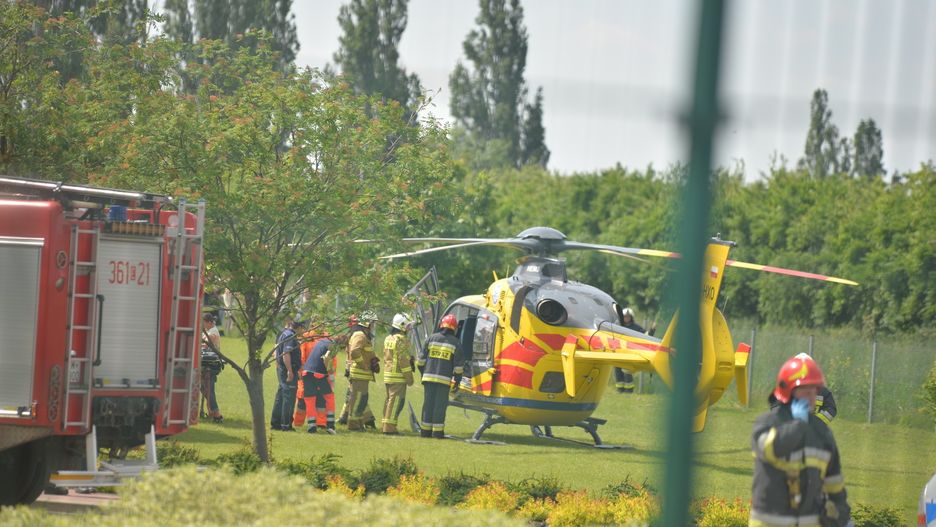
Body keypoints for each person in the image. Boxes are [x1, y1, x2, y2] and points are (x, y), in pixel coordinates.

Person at [750, 353, 850, 527]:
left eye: (814, 391)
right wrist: (798, 425)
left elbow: (834, 483)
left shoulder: (823, 433)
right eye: (805, 390)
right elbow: (770, 450)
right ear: (788, 391)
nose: (811, 397)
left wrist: (842, 516)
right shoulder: (767, 423)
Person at [417, 314, 465, 439]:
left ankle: (425, 432)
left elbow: (420, 361)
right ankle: (437, 433)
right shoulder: (455, 343)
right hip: (443, 381)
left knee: (428, 404)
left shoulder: (431, 339)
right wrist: (457, 382)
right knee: (439, 406)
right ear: (454, 328)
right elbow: (458, 367)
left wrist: (424, 373)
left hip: (428, 378)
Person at [301, 333, 345, 434]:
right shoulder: (334, 346)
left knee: (310, 399)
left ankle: (311, 425)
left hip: (306, 373)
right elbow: (326, 358)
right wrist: (330, 374)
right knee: (329, 397)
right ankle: (330, 425)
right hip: (319, 374)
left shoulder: (322, 341)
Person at [345, 312, 380, 431]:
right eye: (372, 323)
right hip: (359, 374)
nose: (373, 325)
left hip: (363, 376)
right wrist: (364, 365)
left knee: (362, 399)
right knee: (358, 399)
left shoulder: (364, 335)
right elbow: (355, 351)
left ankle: (359, 423)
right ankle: (353, 425)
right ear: (367, 323)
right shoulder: (360, 335)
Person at [381, 313, 415, 435]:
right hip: (398, 377)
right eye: (408, 325)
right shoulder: (401, 340)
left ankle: (385, 425)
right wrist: (410, 378)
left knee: (389, 401)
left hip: (388, 375)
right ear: (402, 325)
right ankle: (389, 429)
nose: (409, 328)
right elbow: (403, 361)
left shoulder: (388, 338)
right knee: (395, 403)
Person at [271, 318, 304, 431]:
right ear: (298, 327)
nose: (304, 331)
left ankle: (276, 423)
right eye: (303, 328)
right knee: (288, 397)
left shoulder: (283, 333)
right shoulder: (290, 336)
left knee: (280, 395)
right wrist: (290, 371)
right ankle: (286, 425)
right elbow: (286, 354)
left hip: (281, 368)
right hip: (287, 370)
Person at [614, 307, 654, 393]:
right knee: (617, 371)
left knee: (627, 371)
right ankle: (620, 389)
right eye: (624, 317)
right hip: (618, 352)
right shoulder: (618, 327)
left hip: (629, 353)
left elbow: (646, 335)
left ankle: (629, 390)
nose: (626, 318)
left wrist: (652, 330)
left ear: (631, 317)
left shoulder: (636, 327)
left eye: (628, 317)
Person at [199, 313, 224, 423]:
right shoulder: (210, 331)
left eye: (204, 322)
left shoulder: (213, 333)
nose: (202, 325)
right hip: (208, 363)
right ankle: (212, 410)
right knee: (204, 387)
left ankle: (216, 413)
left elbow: (205, 345)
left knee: (209, 390)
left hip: (211, 364)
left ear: (209, 322)